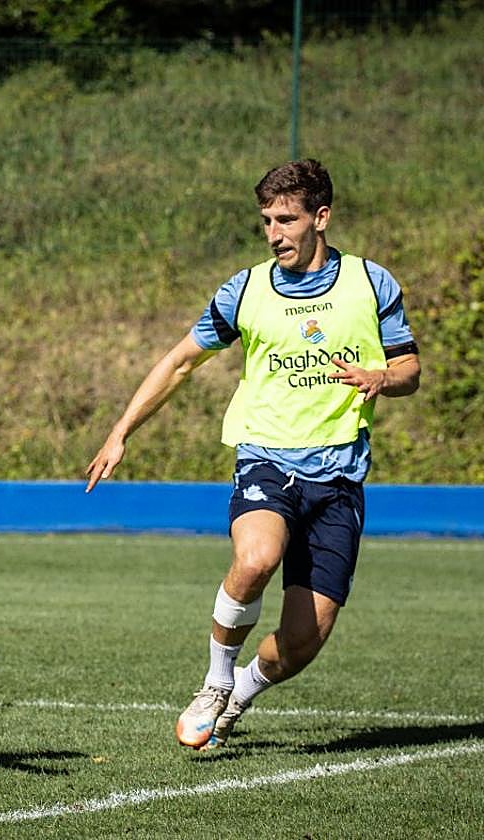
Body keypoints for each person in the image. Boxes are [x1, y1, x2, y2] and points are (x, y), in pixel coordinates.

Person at [84, 160, 420, 750]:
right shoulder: (246, 289)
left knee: (302, 641)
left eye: (286, 219)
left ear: (321, 218)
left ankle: (239, 693)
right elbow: (180, 362)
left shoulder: (372, 283)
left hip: (339, 477)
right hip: (266, 459)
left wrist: (381, 379)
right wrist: (121, 430)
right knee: (257, 557)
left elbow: (410, 367)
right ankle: (214, 682)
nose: (274, 233)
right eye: (266, 220)